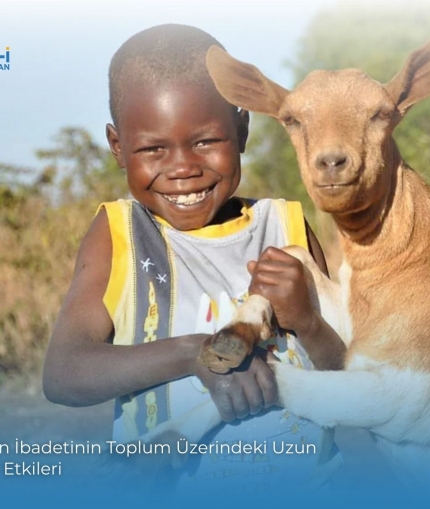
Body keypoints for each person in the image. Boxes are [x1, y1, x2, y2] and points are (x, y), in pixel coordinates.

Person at [42, 24, 345, 491]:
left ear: (241, 129)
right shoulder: (121, 234)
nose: (183, 167)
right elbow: (63, 374)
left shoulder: (285, 227)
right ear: (119, 148)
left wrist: (309, 322)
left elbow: (352, 378)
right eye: (153, 148)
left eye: (205, 141)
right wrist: (193, 355)